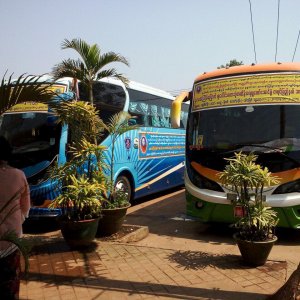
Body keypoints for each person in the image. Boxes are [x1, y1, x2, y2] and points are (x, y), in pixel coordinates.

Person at [0, 136, 30, 299]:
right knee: (10, 284)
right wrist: (17, 221)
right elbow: (25, 207)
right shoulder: (19, 175)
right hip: (11, 241)